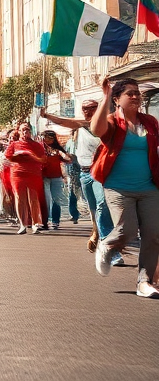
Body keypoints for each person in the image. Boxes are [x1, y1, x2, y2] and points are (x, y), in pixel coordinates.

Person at [88, 77, 159, 299]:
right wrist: (105, 96)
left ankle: (144, 282)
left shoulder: (149, 122)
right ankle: (106, 245)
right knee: (127, 230)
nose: (136, 96)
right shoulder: (112, 121)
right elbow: (96, 129)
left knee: (153, 235)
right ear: (118, 99)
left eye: (137, 93)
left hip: (149, 187)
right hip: (118, 187)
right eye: (130, 93)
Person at [41, 101, 118, 264]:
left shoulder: (103, 124)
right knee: (92, 209)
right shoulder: (80, 126)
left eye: (91, 108)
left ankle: (110, 248)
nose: (87, 111)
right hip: (83, 173)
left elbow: (65, 122)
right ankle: (97, 233)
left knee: (102, 206)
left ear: (98, 109)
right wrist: (47, 115)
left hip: (99, 171)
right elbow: (65, 123)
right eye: (84, 108)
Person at [4, 122, 47, 234]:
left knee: (33, 198)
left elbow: (43, 160)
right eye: (23, 130)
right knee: (19, 198)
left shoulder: (37, 145)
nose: (25, 132)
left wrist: (31, 156)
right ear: (19, 131)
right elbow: (8, 157)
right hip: (18, 174)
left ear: (30, 131)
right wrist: (18, 156)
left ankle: (35, 223)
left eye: (27, 129)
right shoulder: (14, 144)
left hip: (33, 174)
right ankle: (22, 224)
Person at [39, 130, 73, 231]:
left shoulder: (58, 149)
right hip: (44, 176)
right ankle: (44, 221)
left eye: (49, 138)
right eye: (45, 137)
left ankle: (55, 221)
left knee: (56, 199)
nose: (46, 140)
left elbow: (68, 160)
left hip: (56, 176)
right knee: (46, 199)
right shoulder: (40, 148)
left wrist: (67, 155)